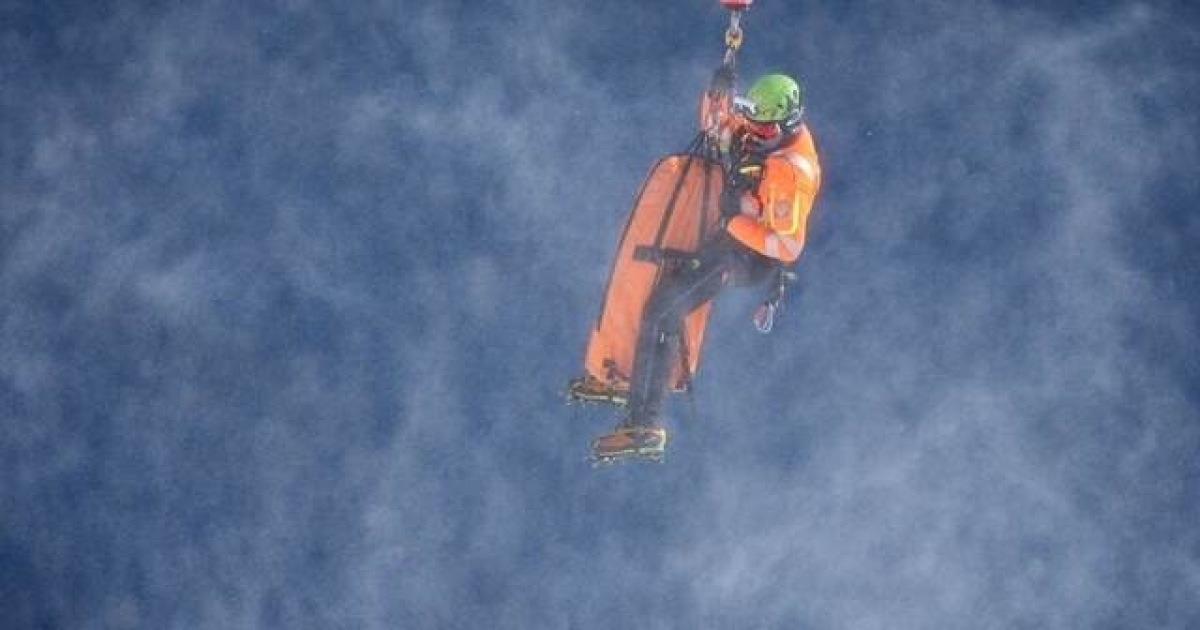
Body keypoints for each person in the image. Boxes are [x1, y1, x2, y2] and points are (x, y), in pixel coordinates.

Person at [590, 72, 823, 462]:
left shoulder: (789, 173)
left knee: (664, 310)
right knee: (658, 296)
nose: (753, 131)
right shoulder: (766, 131)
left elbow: (787, 246)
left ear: (784, 125)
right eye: (754, 122)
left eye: (762, 128)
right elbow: (718, 127)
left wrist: (733, 220)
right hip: (732, 240)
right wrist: (717, 93)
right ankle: (630, 379)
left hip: (748, 257)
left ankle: (644, 423)